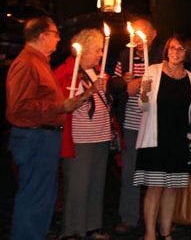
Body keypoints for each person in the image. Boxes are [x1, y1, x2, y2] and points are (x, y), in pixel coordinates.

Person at [6, 17, 84, 239]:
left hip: (43, 138)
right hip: (34, 138)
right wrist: (59, 107)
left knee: (43, 197)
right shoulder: (27, 63)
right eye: (55, 34)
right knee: (34, 197)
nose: (59, 39)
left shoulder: (40, 61)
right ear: (42, 36)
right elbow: (18, 107)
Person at [135, 35, 191, 240]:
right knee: (155, 188)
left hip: (178, 140)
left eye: (180, 49)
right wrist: (143, 95)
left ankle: (166, 232)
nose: (175, 52)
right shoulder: (153, 71)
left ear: (187, 54)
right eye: (172, 48)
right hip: (155, 138)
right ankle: (149, 233)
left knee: (172, 188)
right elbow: (143, 107)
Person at [55, 29, 111, 239]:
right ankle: (71, 230)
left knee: (97, 182)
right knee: (77, 184)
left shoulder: (96, 71)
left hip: (100, 135)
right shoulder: (67, 71)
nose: (100, 55)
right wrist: (89, 92)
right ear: (83, 51)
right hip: (79, 137)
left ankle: (92, 226)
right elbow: (65, 104)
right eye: (96, 51)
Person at [109, 18, 162, 235]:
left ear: (153, 34)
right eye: (135, 35)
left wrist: (139, 81)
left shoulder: (161, 55)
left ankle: (158, 218)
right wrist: (123, 81)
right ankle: (129, 216)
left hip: (154, 122)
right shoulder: (125, 56)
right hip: (131, 122)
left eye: (143, 34)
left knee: (156, 172)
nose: (138, 39)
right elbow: (113, 84)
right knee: (130, 170)